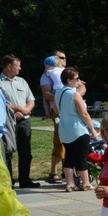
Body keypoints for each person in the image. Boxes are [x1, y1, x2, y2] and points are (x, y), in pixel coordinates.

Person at [0, 54, 40, 188]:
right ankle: (8, 181)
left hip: (24, 121)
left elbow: (31, 99)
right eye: (17, 66)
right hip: (7, 122)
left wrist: (25, 110)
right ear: (9, 67)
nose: (20, 69)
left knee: (26, 152)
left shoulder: (22, 81)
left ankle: (25, 180)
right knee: (8, 152)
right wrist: (18, 109)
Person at [54, 67, 97, 192]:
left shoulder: (58, 92)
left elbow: (56, 110)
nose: (78, 80)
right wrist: (92, 129)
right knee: (81, 157)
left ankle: (70, 184)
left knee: (69, 157)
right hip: (78, 129)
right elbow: (83, 114)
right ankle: (86, 183)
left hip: (65, 130)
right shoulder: (74, 94)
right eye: (76, 78)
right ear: (69, 80)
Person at [40, 53, 65, 183]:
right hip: (58, 109)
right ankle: (54, 172)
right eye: (60, 58)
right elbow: (46, 95)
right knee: (59, 139)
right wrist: (66, 98)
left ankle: (68, 170)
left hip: (68, 109)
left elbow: (81, 87)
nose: (63, 60)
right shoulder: (46, 75)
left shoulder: (64, 72)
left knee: (71, 140)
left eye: (64, 57)